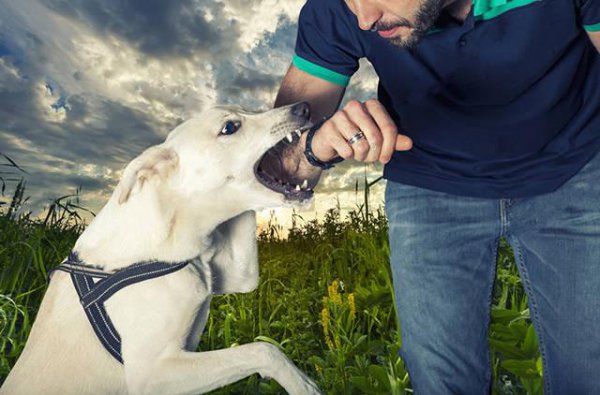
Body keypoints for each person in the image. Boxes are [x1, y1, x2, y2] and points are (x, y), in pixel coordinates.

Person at [271, 0, 600, 393]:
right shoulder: (338, 11)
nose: (364, 18)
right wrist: (315, 146)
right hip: (429, 186)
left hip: (574, 169)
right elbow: (276, 163)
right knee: (441, 381)